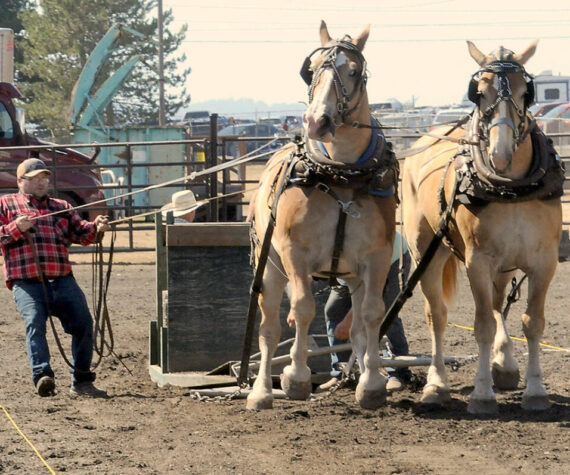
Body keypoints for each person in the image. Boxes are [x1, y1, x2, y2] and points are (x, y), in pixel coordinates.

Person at [0, 158, 110, 397]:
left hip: (62, 278)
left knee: (83, 323)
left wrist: (96, 227)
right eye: (35, 178)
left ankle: (81, 380)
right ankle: (43, 376)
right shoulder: (5, 204)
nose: (42, 182)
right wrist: (15, 228)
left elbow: (82, 233)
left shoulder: (61, 206)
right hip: (26, 282)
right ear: (21, 181)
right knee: (35, 323)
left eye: (44, 178)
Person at [319, 231, 412, 393]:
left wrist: (349, 321)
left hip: (388, 261)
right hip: (347, 273)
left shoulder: (361, 240)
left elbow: (369, 295)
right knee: (334, 310)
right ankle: (342, 372)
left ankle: (397, 373)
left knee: (384, 313)